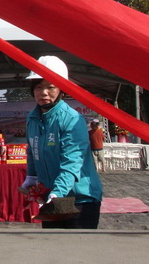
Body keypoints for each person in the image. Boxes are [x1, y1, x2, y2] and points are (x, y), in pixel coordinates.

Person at [21, 55, 103, 229]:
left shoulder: (72, 119)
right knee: (55, 252)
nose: (43, 93)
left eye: (51, 87)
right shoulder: (32, 118)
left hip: (79, 199)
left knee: (78, 251)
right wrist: (31, 176)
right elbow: (32, 151)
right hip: (51, 196)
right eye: (38, 87)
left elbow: (72, 162)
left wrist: (58, 191)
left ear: (62, 90)